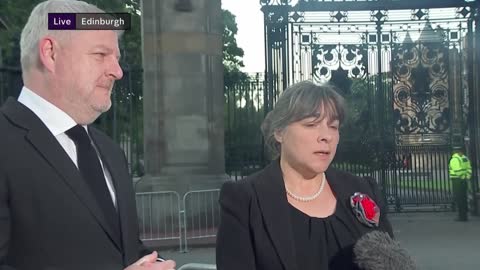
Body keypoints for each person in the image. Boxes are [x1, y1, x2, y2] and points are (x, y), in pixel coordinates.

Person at [0, 1, 175, 269]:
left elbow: (123, 250)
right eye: (100, 54)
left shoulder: (111, 152)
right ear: (50, 53)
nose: (117, 71)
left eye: (116, 58)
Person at [216, 81, 393, 270]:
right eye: (311, 124)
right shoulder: (245, 199)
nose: (326, 136)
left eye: (333, 126)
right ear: (279, 132)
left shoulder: (363, 189)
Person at [449, 146, 472, 221]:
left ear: (455, 151)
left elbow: (457, 170)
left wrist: (461, 176)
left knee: (459, 199)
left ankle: (461, 217)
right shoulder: (465, 158)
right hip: (464, 180)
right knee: (464, 198)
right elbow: (469, 168)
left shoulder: (454, 159)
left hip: (457, 180)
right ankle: (464, 216)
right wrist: (467, 176)